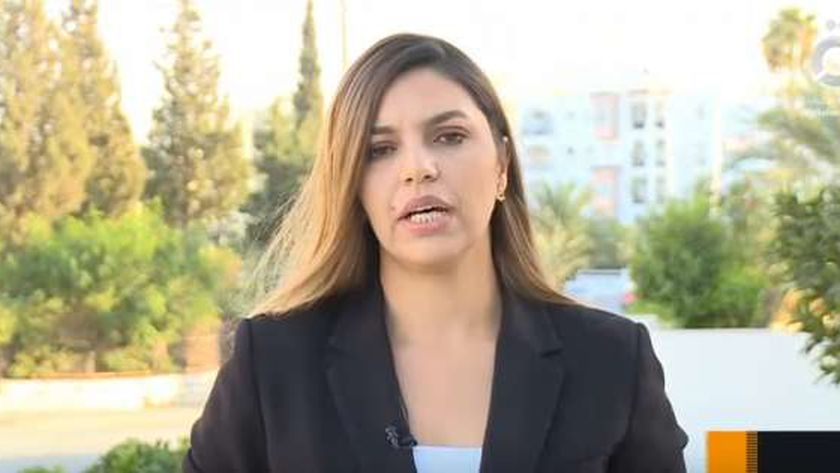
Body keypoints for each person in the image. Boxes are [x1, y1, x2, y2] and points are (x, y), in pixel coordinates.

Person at [183, 33, 689, 473]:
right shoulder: (273, 363)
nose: (418, 168)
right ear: (351, 185)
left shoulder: (611, 361)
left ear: (502, 165)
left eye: (449, 137)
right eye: (379, 150)